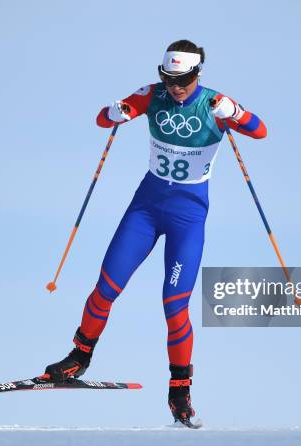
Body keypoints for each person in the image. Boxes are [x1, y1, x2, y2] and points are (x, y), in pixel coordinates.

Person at [42, 39, 267, 424]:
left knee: (174, 305)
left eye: (182, 79)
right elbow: (103, 118)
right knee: (106, 287)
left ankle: (179, 391)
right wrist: (114, 112)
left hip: (187, 217)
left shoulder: (214, 103)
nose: (174, 86)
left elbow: (259, 131)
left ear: (198, 75)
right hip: (145, 209)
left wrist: (237, 113)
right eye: (168, 77)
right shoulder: (152, 95)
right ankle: (79, 358)